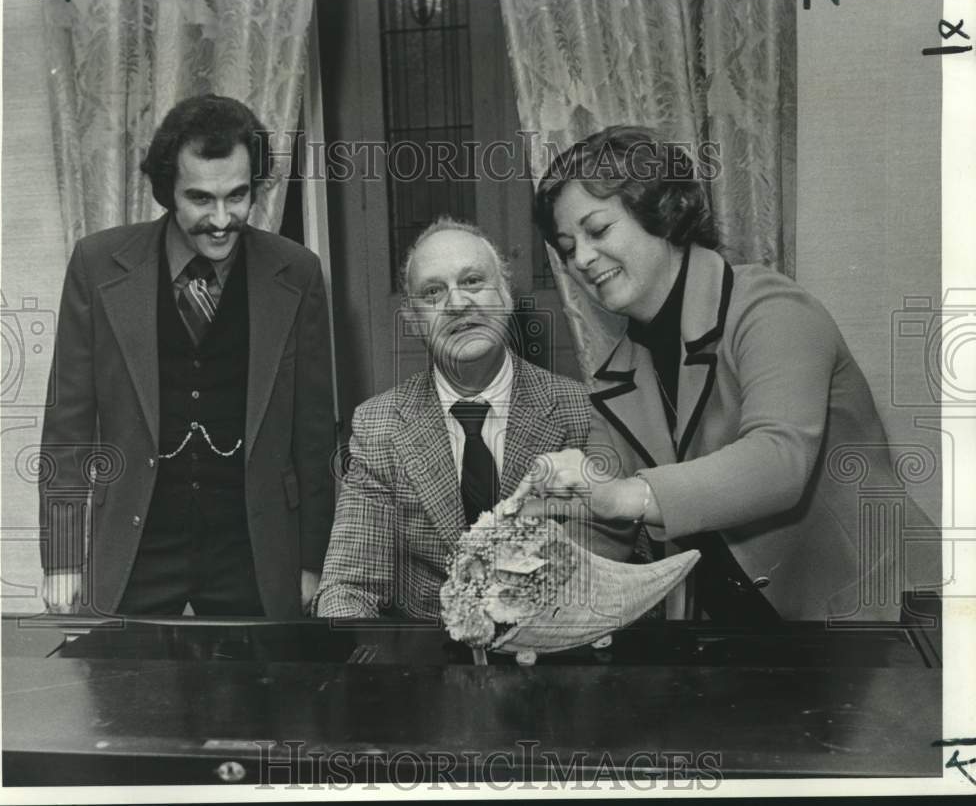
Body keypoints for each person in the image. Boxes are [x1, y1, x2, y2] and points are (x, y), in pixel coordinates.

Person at [515, 125, 938, 623]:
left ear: (662, 211)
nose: (581, 259)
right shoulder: (615, 379)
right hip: (745, 636)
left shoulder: (771, 307)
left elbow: (779, 461)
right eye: (566, 247)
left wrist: (622, 494)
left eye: (598, 230)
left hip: (885, 619)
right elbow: (610, 528)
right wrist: (534, 551)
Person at [39, 94, 335, 619]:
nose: (222, 219)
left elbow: (312, 433)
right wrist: (62, 557)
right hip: (137, 543)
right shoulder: (97, 264)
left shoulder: (298, 272)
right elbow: (68, 425)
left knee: (261, 700)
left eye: (238, 196)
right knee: (120, 696)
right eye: (201, 199)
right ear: (167, 193)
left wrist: (312, 558)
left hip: (252, 545)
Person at [313, 217, 607, 620]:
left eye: (472, 282)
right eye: (433, 292)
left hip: (558, 653)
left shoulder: (580, 410)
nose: (456, 303)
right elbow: (349, 586)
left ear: (506, 296)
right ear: (413, 320)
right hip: (429, 663)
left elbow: (619, 568)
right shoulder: (378, 425)